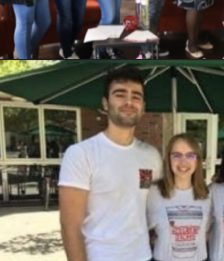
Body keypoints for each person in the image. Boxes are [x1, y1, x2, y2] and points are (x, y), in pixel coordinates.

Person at [59, 66, 163, 260]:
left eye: (136, 96)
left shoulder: (152, 156)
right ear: (105, 104)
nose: (129, 102)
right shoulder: (81, 154)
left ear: (143, 106)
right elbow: (70, 227)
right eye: (120, 94)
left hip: (144, 256)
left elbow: (154, 209)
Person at [148, 134, 212, 261]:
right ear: (168, 159)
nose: (183, 162)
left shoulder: (207, 194)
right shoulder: (153, 193)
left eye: (190, 155)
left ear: (197, 160)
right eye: (176, 155)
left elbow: (206, 233)